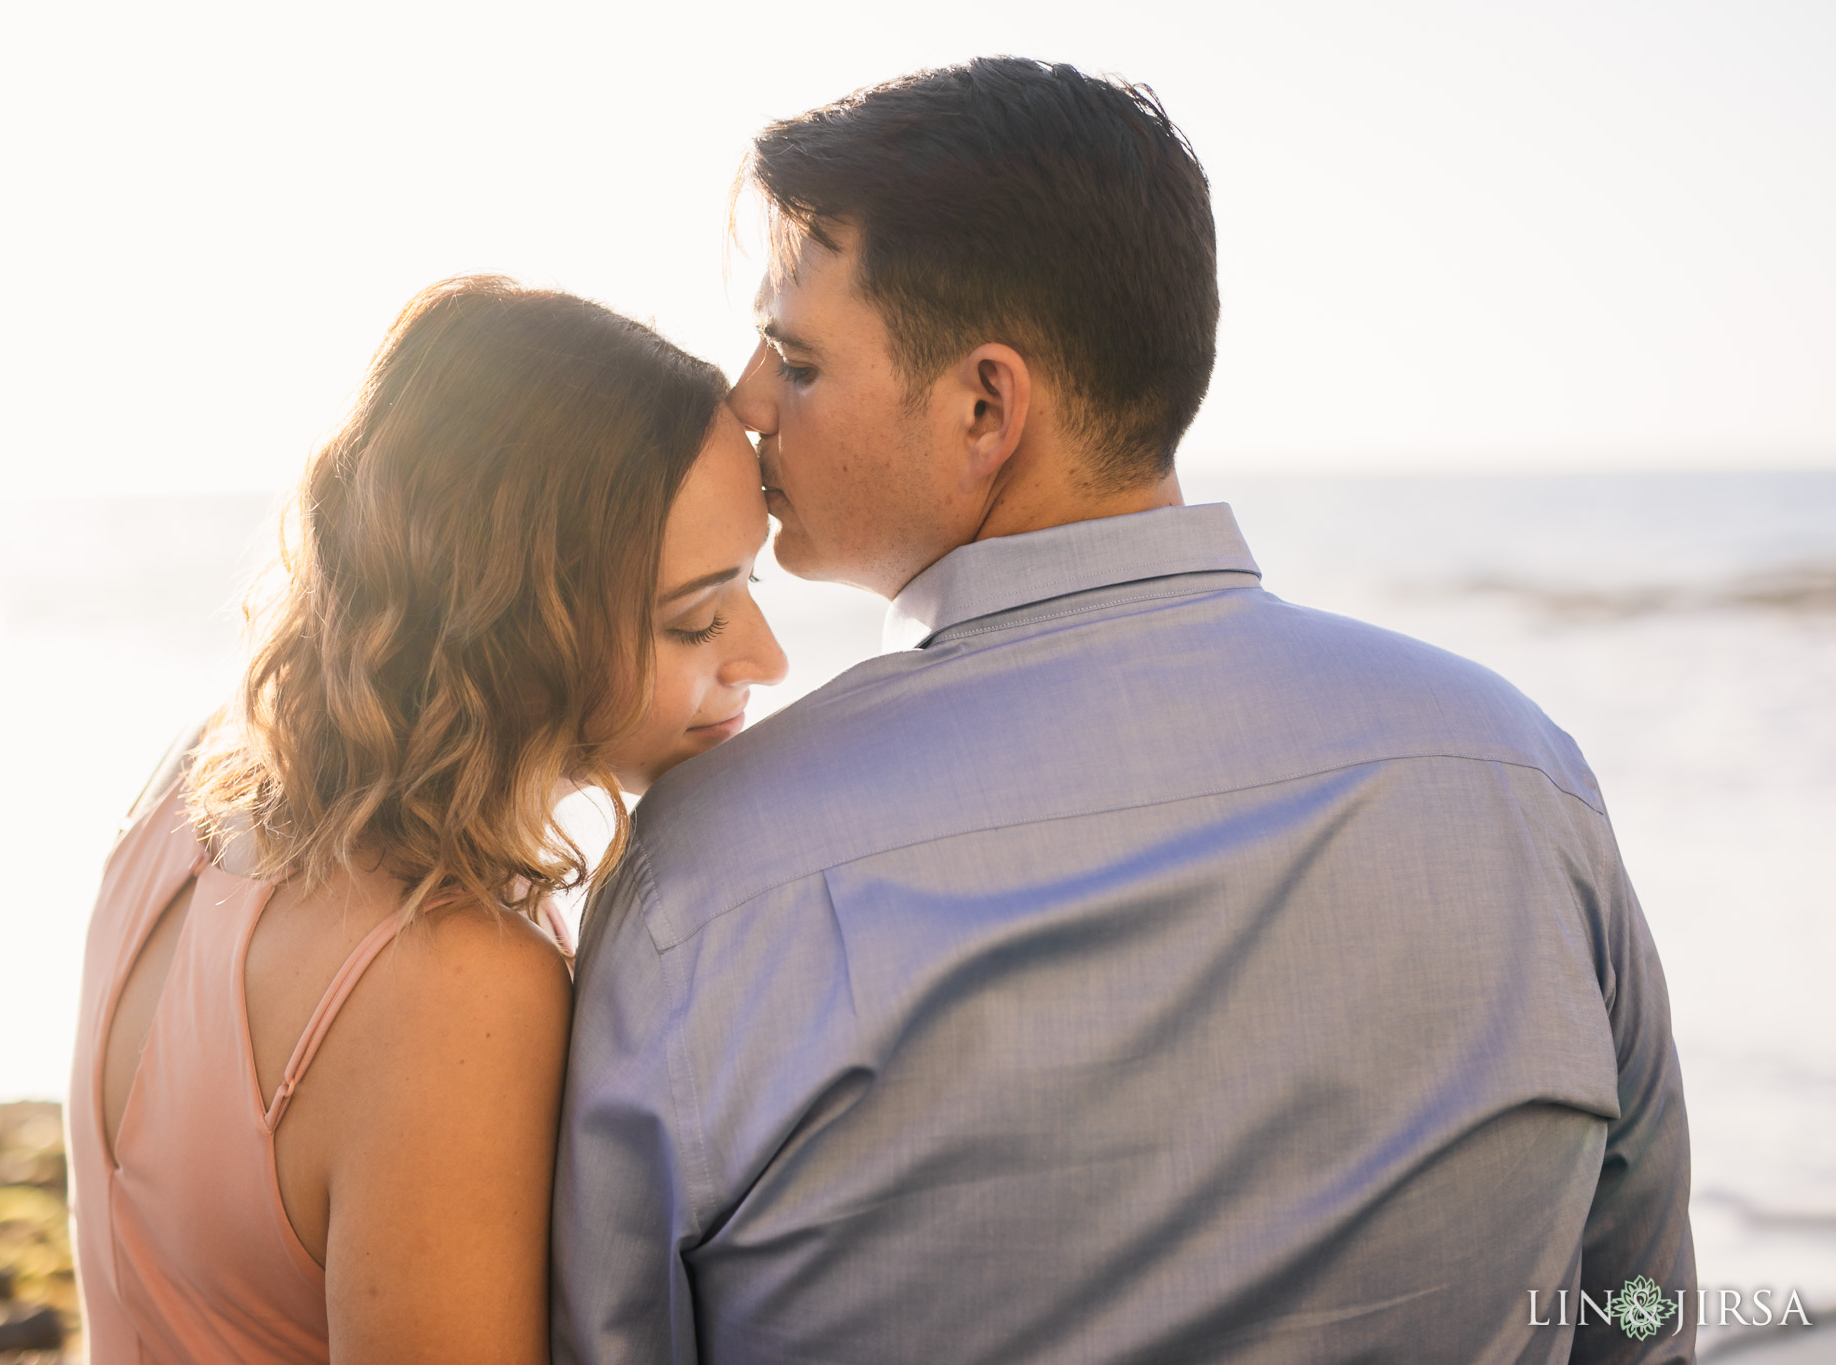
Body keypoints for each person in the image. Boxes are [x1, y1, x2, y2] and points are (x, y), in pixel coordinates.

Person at [553, 58, 1694, 1365]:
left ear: (987, 405)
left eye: (797, 360)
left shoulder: (714, 870)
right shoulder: (1522, 776)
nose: (746, 401)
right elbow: (1641, 1310)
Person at [66, 277, 786, 1364]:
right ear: (520, 624)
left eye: (751, 581)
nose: (766, 658)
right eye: (694, 619)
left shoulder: (188, 785)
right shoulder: (451, 978)